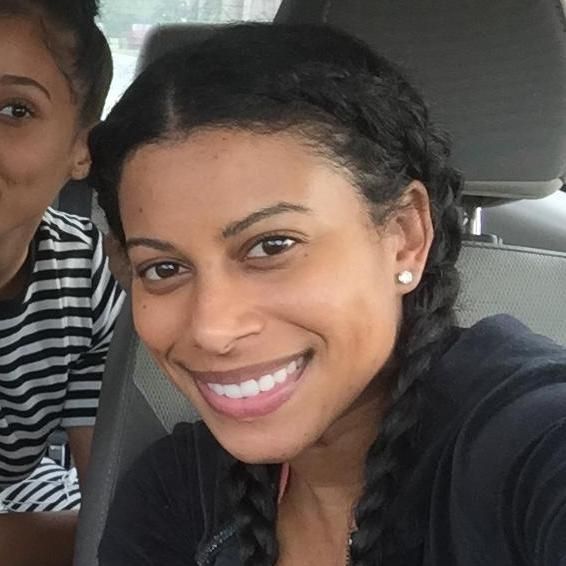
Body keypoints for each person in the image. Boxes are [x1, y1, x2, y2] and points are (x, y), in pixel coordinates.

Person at [90, 24, 566, 566]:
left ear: (405, 237)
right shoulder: (176, 495)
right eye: (165, 268)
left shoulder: (528, 442)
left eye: (272, 246)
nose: (212, 329)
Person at [0, 1, 124, 564]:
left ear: (81, 150)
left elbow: (109, 516)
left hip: (24, 493)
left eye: (14, 109)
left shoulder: (84, 272)